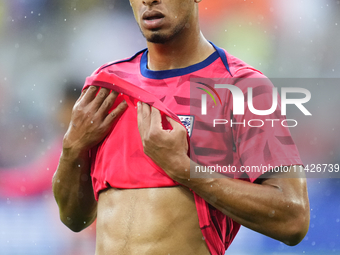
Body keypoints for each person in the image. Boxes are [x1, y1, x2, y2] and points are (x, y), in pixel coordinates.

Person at [52, 0, 310, 254]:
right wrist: (71, 148)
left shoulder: (241, 88)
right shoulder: (107, 87)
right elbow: (74, 218)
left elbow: (293, 219)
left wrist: (184, 170)